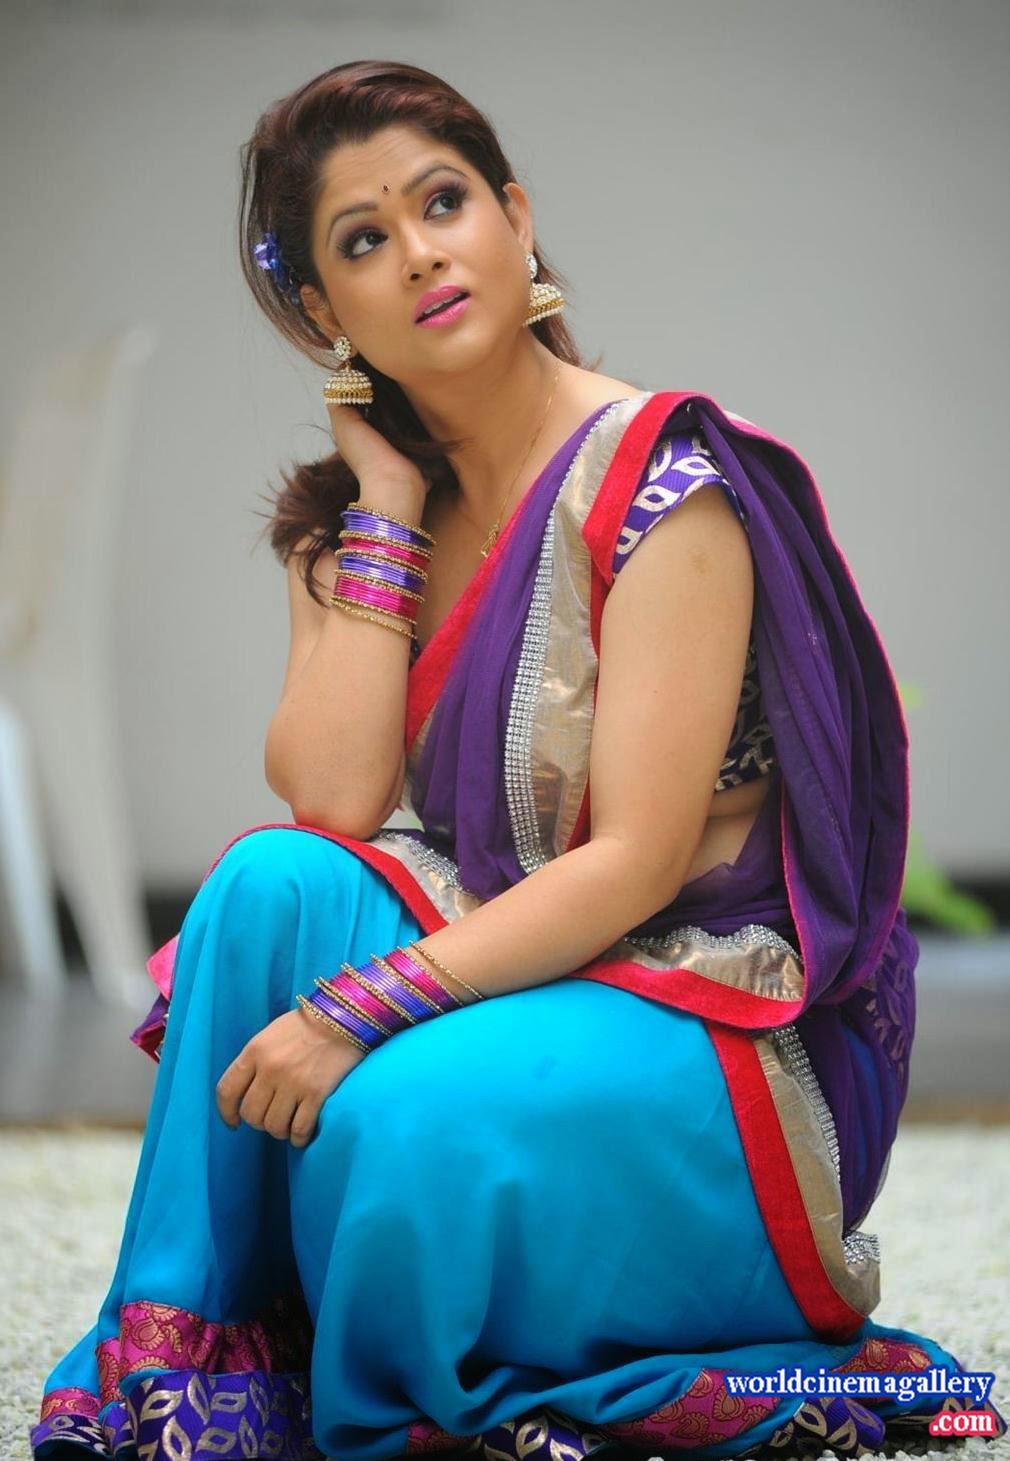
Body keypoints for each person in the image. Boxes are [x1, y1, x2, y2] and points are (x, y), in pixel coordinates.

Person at [30, 59, 1004, 1461]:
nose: (421, 253)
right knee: (259, 889)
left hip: (711, 1025)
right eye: (364, 239)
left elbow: (637, 864)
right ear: (325, 312)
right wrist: (383, 502)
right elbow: (333, 802)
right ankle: (198, 1359)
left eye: (444, 203)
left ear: (516, 217)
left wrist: (359, 1008)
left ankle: (390, 1376)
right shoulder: (364, 520)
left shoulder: (663, 486)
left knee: (385, 1120)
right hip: (521, 959)